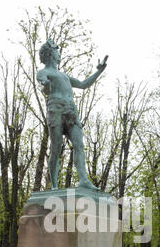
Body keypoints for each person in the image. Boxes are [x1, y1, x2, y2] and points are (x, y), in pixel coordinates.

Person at [37, 39, 108, 190]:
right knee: (56, 147)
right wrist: (47, 86)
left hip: (70, 109)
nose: (59, 53)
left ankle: (83, 179)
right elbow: (45, 87)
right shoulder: (43, 72)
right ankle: (54, 185)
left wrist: (99, 71)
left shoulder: (64, 76)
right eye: (57, 50)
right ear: (51, 53)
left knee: (79, 144)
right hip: (55, 108)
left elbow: (83, 84)